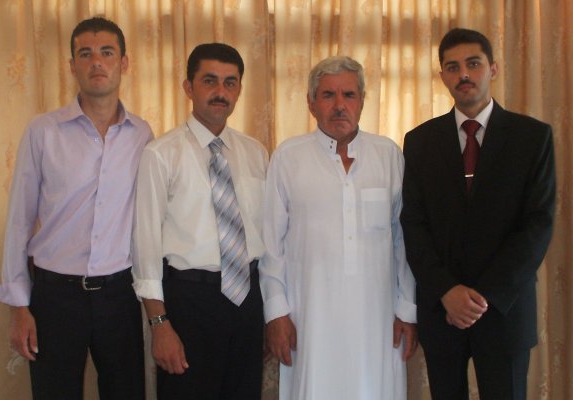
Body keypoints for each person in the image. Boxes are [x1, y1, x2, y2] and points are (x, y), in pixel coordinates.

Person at [0, 17, 152, 399]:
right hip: (55, 298)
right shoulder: (43, 131)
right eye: (86, 54)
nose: (97, 62)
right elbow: (19, 221)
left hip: (119, 295)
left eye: (107, 52)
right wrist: (19, 307)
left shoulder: (142, 135)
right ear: (72, 65)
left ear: (124, 63)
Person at [400, 28, 556, 400]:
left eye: (473, 64)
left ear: (493, 68)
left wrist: (484, 296)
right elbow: (413, 225)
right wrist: (447, 291)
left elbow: (537, 225)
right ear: (442, 76)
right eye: (453, 67)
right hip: (443, 311)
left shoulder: (532, 137)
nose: (464, 74)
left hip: (504, 310)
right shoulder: (419, 142)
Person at [260, 56, 418, 400]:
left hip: (378, 320)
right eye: (328, 95)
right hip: (308, 319)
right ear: (311, 103)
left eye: (349, 94)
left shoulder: (388, 155)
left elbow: (404, 242)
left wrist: (407, 310)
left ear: (362, 100)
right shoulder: (288, 157)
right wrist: (276, 313)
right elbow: (271, 246)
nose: (339, 105)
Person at [132, 43, 268, 399]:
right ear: (188, 87)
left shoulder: (256, 153)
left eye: (230, 82)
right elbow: (145, 245)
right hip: (189, 302)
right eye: (210, 81)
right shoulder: (161, 155)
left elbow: (267, 237)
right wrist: (159, 324)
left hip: (248, 299)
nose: (220, 91)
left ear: (239, 89)